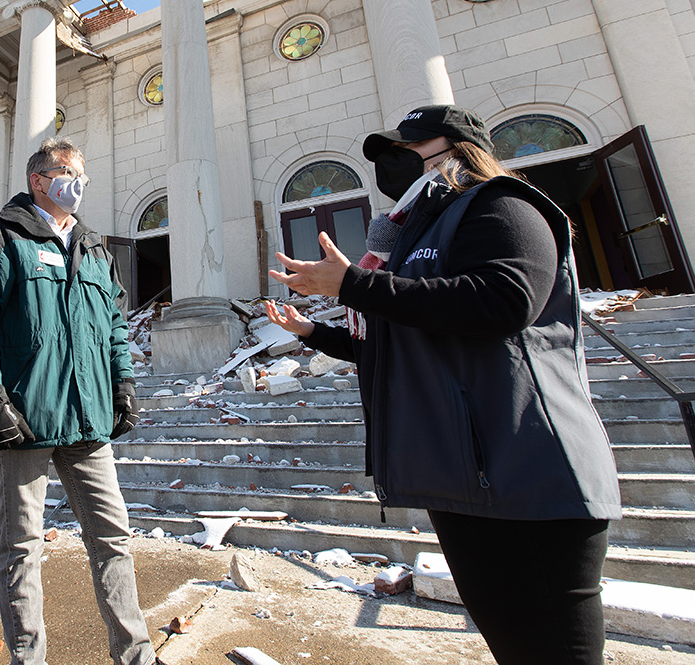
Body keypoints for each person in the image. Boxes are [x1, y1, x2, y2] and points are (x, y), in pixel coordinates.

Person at [265, 105, 621, 665]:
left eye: (407, 151)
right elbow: (392, 346)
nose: (394, 167)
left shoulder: (503, 203)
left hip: (526, 472)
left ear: (454, 148)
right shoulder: (413, 238)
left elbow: (505, 300)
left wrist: (356, 284)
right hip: (463, 478)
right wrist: (310, 331)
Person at [0, 138, 159, 665]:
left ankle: (135, 654)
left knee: (113, 538)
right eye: (67, 172)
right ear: (39, 180)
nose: (77, 183)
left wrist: (123, 383)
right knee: (22, 548)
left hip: (89, 422)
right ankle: (29, 657)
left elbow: (113, 324)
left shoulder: (93, 246)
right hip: (25, 420)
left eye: (82, 174)